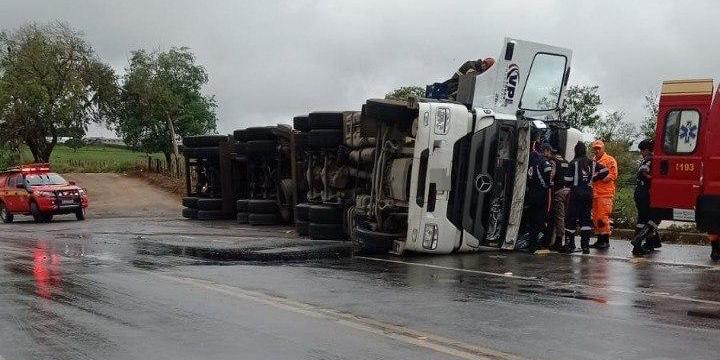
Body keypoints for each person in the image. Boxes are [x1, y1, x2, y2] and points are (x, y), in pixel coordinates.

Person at [562, 142, 609, 254]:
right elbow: (605, 170)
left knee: (571, 219)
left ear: (576, 151)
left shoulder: (573, 163)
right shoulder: (592, 162)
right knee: (585, 220)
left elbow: (568, 180)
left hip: (576, 193)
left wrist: (567, 186)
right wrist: (594, 178)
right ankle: (585, 246)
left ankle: (569, 245)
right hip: (588, 193)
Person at [630, 139, 662, 256]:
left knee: (644, 218)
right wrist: (653, 179)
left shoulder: (648, 159)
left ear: (647, 149)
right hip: (644, 193)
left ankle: (651, 243)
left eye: (642, 150)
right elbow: (643, 171)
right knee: (647, 219)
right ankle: (638, 245)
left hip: (640, 192)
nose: (641, 153)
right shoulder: (650, 159)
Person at [522, 140, 552, 254]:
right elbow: (548, 171)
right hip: (541, 194)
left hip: (531, 193)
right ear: (544, 150)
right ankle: (535, 245)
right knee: (539, 220)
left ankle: (530, 244)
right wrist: (548, 183)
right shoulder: (543, 160)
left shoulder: (530, 159)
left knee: (531, 219)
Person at [589, 140, 618, 250]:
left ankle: (605, 240)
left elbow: (613, 174)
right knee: (596, 218)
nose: (596, 150)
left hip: (605, 194)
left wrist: (602, 177)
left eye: (598, 148)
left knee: (603, 217)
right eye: (595, 148)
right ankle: (600, 239)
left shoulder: (609, 160)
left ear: (603, 148)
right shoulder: (593, 161)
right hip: (595, 193)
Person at [543, 143, 570, 251]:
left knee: (558, 216)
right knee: (563, 216)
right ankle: (561, 239)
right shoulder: (566, 162)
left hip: (558, 191)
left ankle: (558, 241)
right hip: (568, 191)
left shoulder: (553, 161)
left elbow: (551, 176)